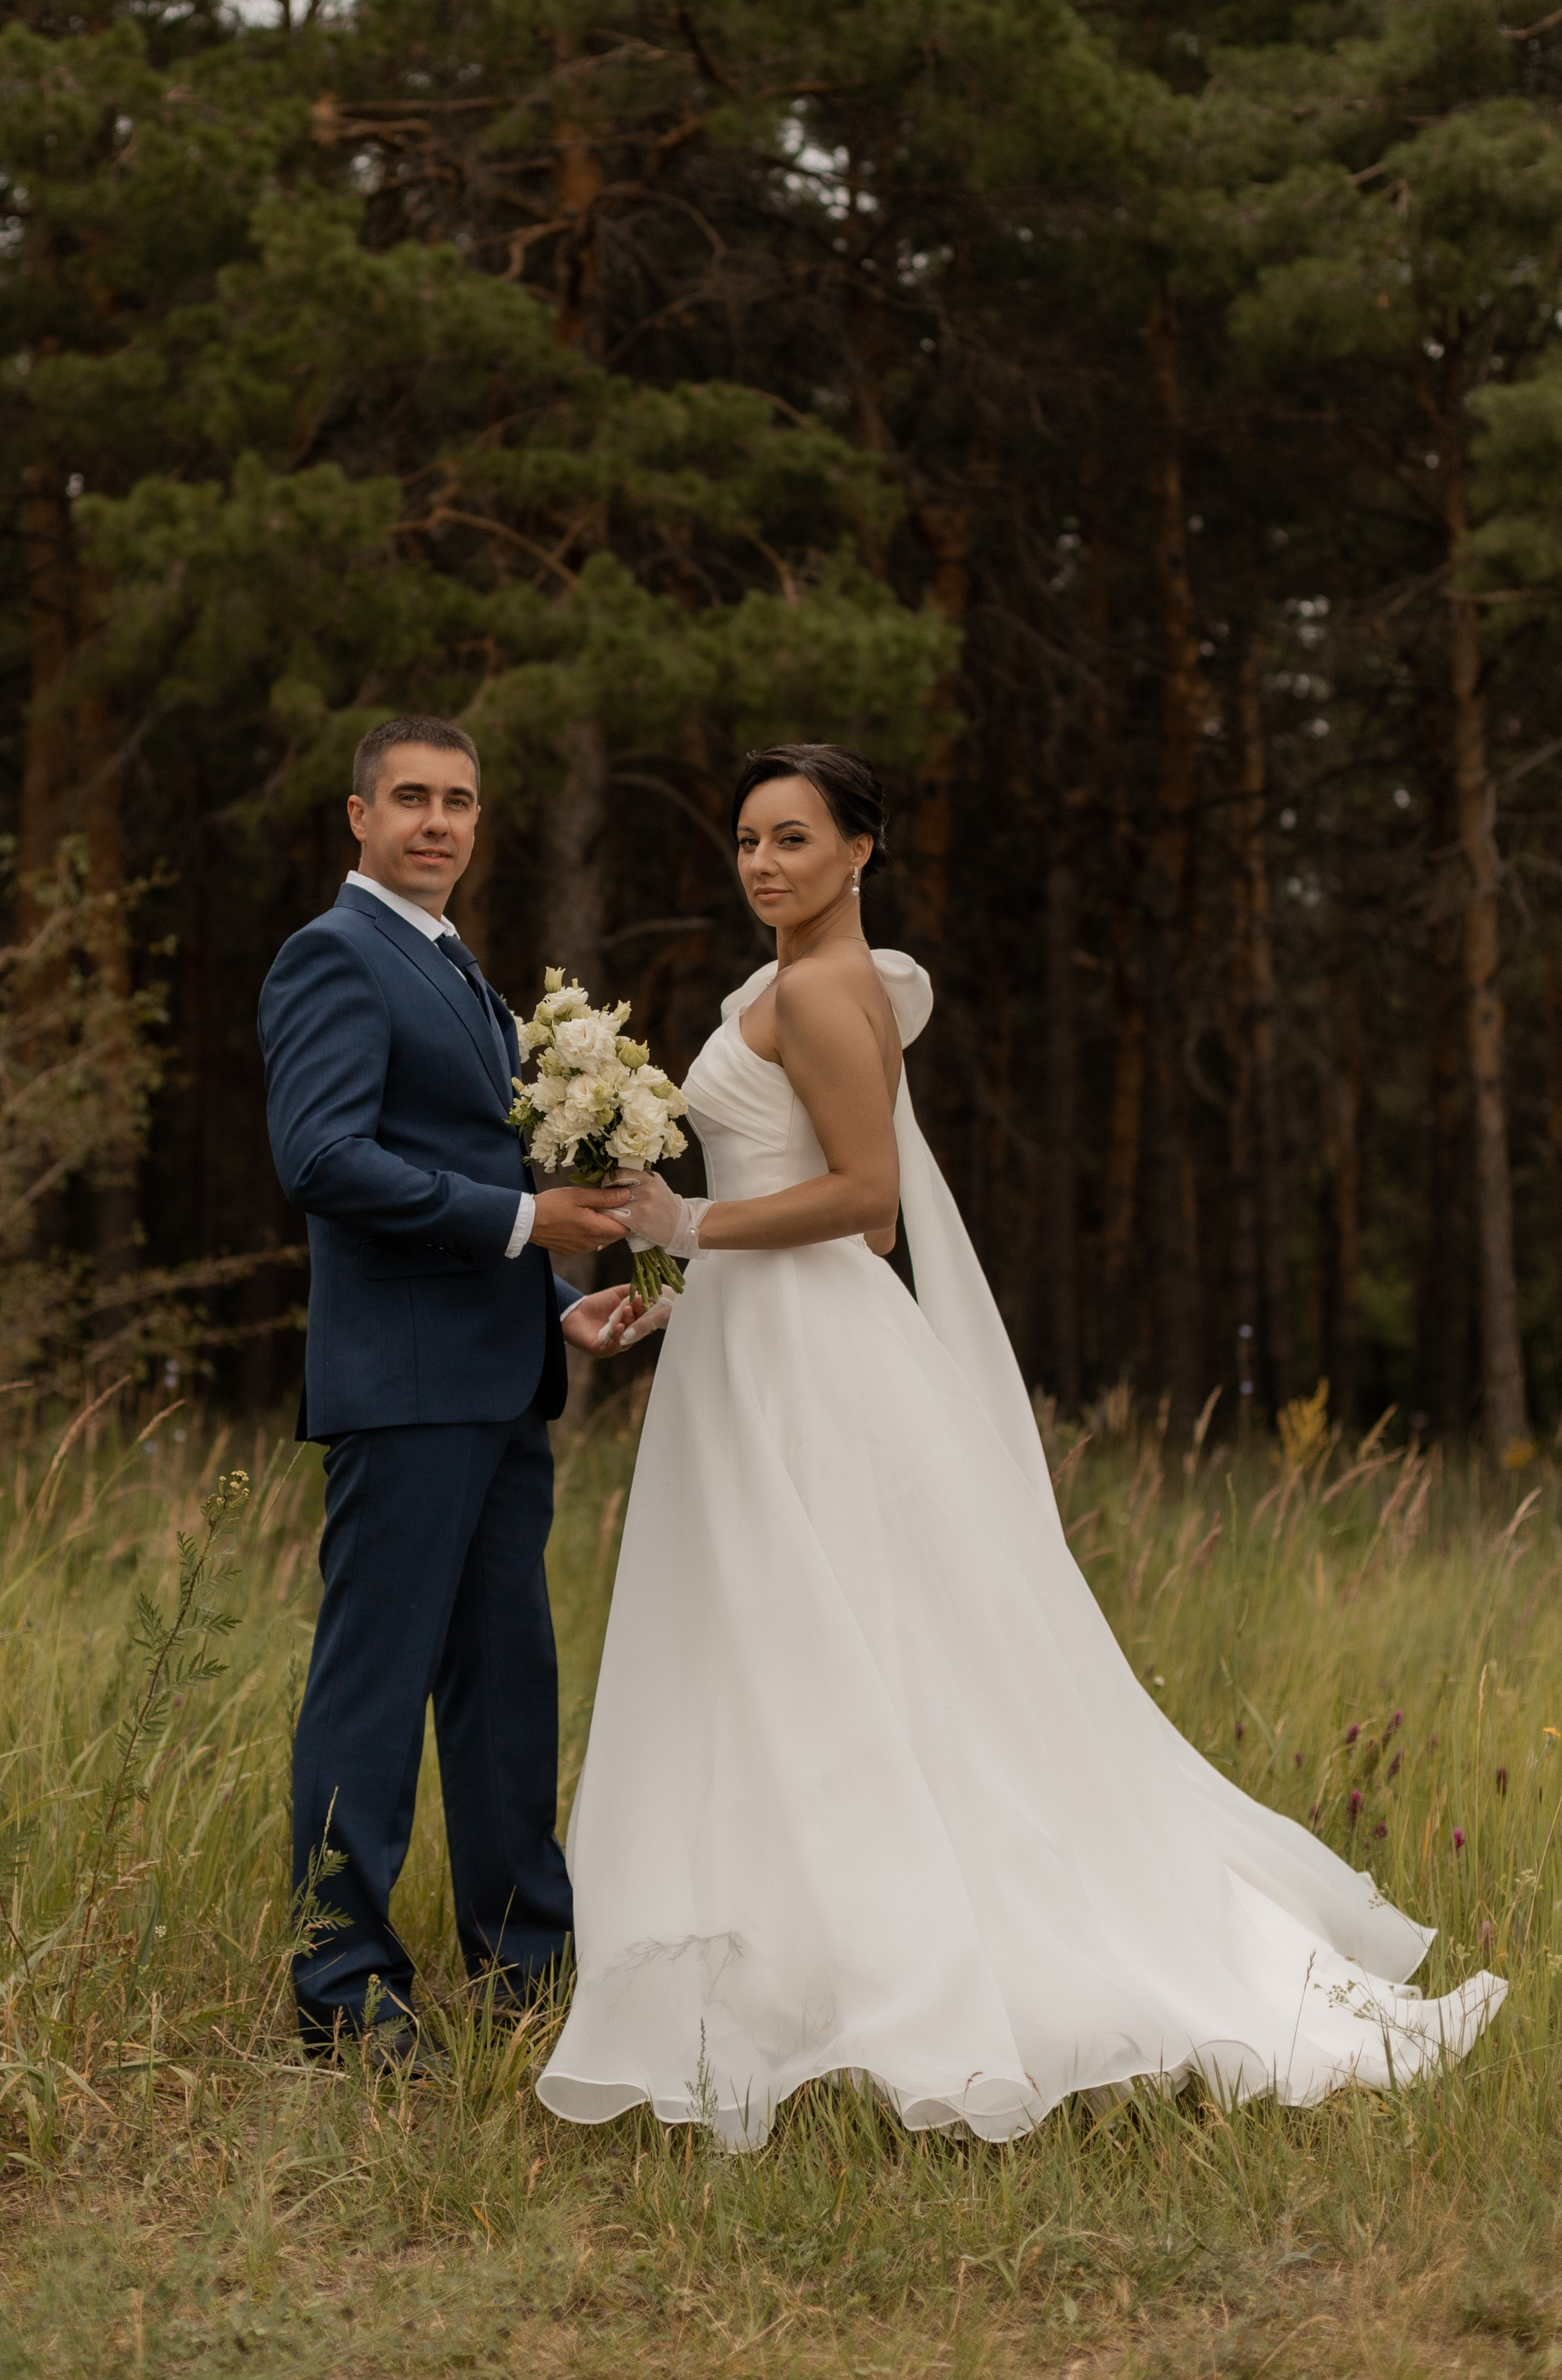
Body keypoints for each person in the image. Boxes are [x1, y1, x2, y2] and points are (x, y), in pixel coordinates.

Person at [537, 740, 1506, 2146]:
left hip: (808, 1362)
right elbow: (800, 1200)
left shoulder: (818, 989)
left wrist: (684, 1222)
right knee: (794, 1648)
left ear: (860, 850)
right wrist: (672, 1285)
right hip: (760, 1340)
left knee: (827, 1646)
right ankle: (805, 1952)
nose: (762, 863)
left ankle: (899, 1962)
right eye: (747, 839)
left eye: (793, 837)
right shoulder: (811, 980)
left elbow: (868, 1204)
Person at [259, 714, 653, 2061]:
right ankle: (345, 1987)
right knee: (373, 1688)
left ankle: (522, 1966)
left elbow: (463, 1163)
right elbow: (322, 1158)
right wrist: (526, 1220)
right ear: (358, 815)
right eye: (413, 797)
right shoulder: (334, 953)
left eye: (461, 801)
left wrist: (555, 1299)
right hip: (404, 1387)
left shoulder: (453, 962)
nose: (438, 821)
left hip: (499, 1375)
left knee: (507, 1685)